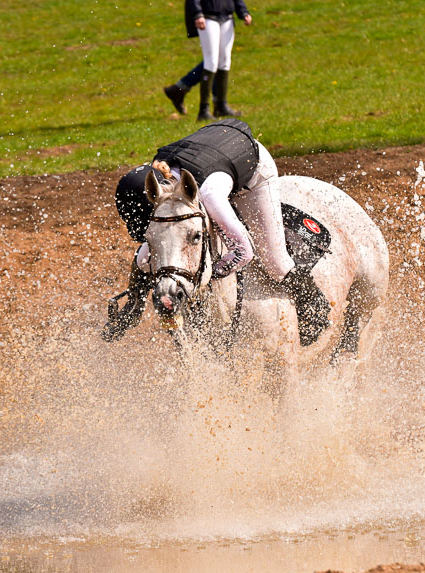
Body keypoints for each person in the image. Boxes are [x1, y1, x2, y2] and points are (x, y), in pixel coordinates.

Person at [102, 119, 331, 343]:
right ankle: (131, 309)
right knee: (146, 258)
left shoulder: (210, 195)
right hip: (214, 159)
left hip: (252, 169)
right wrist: (137, 299)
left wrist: (211, 273)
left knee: (276, 263)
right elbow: (145, 258)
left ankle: (313, 305)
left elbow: (244, 252)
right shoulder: (162, 186)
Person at [186, 0, 252, 121]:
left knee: (225, 61)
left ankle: (221, 105)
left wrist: (243, 11)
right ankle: (203, 109)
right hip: (207, 16)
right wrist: (197, 13)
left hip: (227, 17)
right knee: (211, 61)